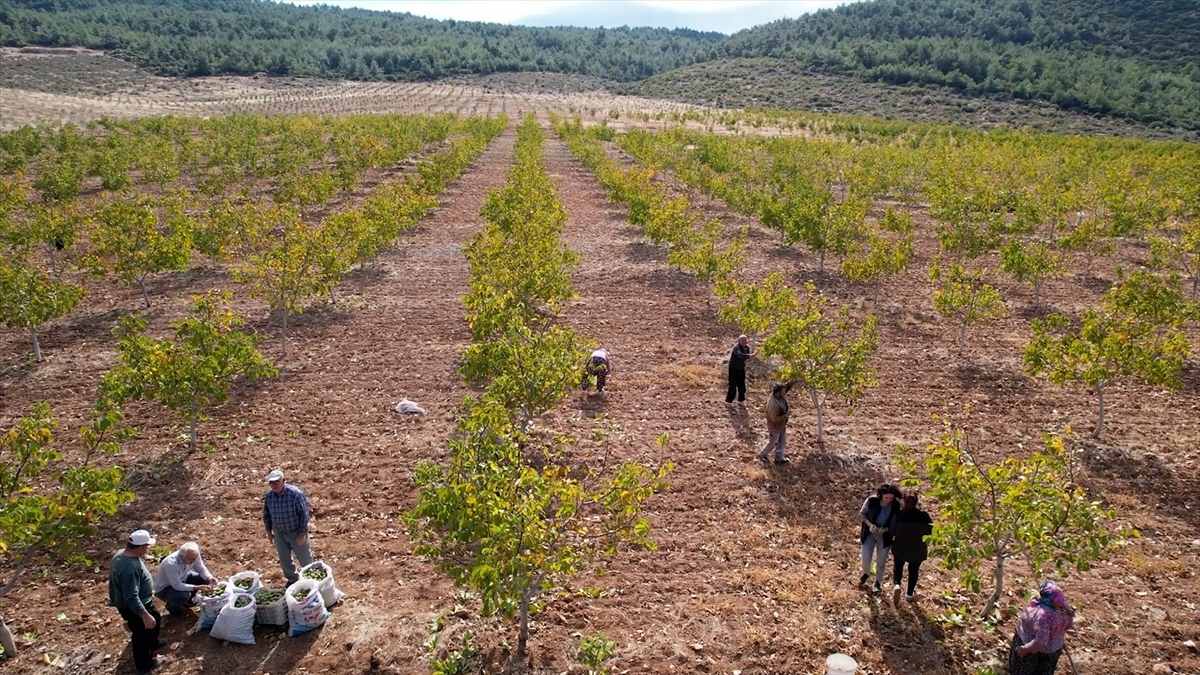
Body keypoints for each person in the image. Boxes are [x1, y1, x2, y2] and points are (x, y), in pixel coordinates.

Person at [109, 529, 168, 674]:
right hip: (134, 606)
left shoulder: (121, 554)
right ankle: (144, 665)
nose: (147, 549)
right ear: (140, 547)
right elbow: (131, 597)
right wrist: (144, 615)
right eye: (146, 546)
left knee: (156, 617)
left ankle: (153, 643)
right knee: (140, 635)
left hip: (142, 601)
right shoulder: (129, 568)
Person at [1009, 582, 1074, 675]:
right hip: (1053, 650)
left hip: (1031, 649)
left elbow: (1040, 642)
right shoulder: (1065, 610)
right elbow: (1068, 625)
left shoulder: (1043, 616)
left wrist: (1024, 649)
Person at [263, 469, 313, 585]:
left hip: (296, 531)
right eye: (271, 483)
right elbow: (267, 514)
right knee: (285, 560)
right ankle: (293, 580)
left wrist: (302, 534)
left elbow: (304, 514)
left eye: (277, 482)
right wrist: (269, 531)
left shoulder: (295, 494)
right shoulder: (269, 496)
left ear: (284, 481)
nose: (274, 485)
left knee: (305, 558)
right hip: (279, 532)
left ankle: (312, 581)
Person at [153, 541, 217, 617]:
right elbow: (177, 585)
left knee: (204, 579)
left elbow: (201, 568)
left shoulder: (193, 555)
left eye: (195, 558)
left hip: (183, 577)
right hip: (166, 588)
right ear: (182, 556)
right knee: (183, 596)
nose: (194, 561)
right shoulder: (170, 564)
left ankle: (187, 601)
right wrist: (198, 587)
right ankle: (172, 608)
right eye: (191, 559)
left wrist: (209, 577)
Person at [858, 483, 902, 594]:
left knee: (881, 562)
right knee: (866, 558)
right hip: (869, 534)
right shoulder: (872, 501)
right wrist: (870, 525)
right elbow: (862, 514)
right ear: (881, 494)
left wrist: (886, 529)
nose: (888, 500)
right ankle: (866, 573)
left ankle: (877, 582)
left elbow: (896, 522)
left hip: (885, 537)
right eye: (886, 497)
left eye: (891, 498)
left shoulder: (895, 505)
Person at [890, 493, 934, 604]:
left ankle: (897, 585)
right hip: (917, 549)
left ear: (904, 502)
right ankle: (909, 594)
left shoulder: (899, 515)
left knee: (898, 566)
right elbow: (931, 531)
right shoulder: (924, 516)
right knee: (914, 571)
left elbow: (892, 531)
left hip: (901, 547)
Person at [758, 381, 793, 465]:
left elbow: (787, 387)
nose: (785, 392)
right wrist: (785, 416)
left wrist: (795, 381)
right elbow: (774, 419)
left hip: (781, 425)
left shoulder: (779, 395)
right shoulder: (773, 404)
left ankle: (779, 458)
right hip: (775, 426)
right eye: (783, 391)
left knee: (781, 441)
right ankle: (762, 455)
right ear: (778, 393)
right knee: (773, 442)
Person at [725, 335, 754, 405]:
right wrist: (750, 356)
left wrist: (748, 359)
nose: (744, 341)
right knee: (733, 385)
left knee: (742, 385)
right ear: (739, 341)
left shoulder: (747, 348)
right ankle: (728, 401)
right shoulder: (736, 348)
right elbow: (740, 355)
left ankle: (741, 400)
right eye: (742, 340)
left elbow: (746, 358)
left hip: (741, 368)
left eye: (745, 340)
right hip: (733, 368)